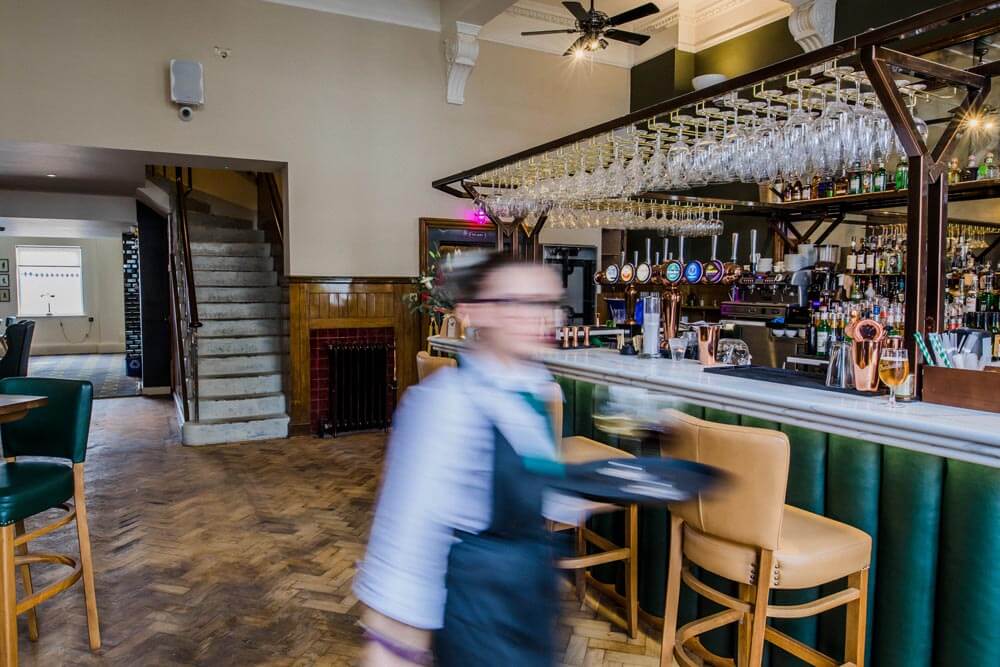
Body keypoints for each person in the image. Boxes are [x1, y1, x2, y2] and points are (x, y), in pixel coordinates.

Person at [354, 253, 569, 666]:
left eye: (548, 302)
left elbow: (530, 487)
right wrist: (393, 650)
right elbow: (407, 540)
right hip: (479, 618)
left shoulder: (535, 388)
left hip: (528, 608)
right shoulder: (445, 403)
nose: (542, 317)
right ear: (477, 311)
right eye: (520, 302)